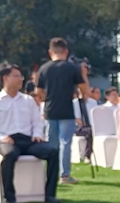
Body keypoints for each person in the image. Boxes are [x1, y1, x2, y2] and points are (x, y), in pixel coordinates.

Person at [0, 64, 61, 203]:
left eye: (21, 76)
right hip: (7, 140)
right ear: (5, 78)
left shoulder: (28, 100)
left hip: (28, 140)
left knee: (52, 151)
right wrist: (1, 138)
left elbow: (37, 122)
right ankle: (9, 197)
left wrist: (37, 134)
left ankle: (50, 194)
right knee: (9, 155)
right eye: (16, 76)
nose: (21, 79)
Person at [35, 38, 89, 184]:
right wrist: (83, 74)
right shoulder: (72, 68)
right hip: (67, 110)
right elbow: (85, 90)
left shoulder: (44, 68)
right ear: (66, 51)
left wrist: (47, 98)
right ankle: (65, 175)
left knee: (52, 144)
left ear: (50, 52)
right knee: (65, 143)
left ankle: (51, 173)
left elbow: (38, 91)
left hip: (50, 110)